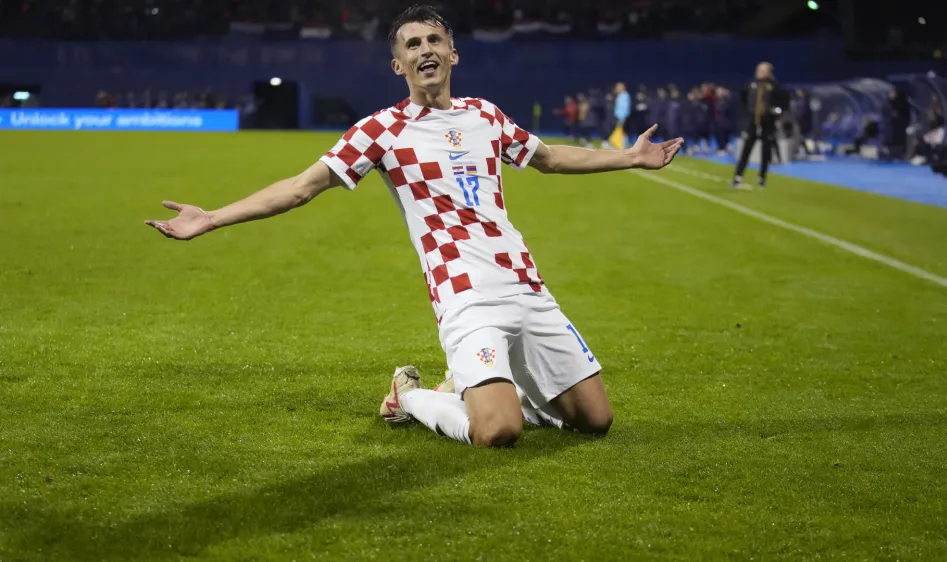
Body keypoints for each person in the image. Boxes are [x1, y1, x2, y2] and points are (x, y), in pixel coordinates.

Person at [145, 5, 684, 449]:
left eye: (434, 40)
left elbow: (549, 158)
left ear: (452, 54)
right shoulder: (381, 132)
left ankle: (490, 382)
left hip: (525, 284)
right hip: (464, 295)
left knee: (596, 421)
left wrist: (631, 160)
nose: (424, 49)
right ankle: (409, 396)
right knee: (497, 432)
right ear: (398, 65)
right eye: (412, 44)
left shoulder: (486, 116)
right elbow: (300, 187)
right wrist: (211, 217)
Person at [731, 62, 789, 189]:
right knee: (746, 150)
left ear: (768, 72)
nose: (759, 72)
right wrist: (747, 112)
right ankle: (737, 177)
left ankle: (762, 179)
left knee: (766, 152)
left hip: (767, 123)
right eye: (758, 70)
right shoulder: (751, 84)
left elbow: (784, 102)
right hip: (752, 122)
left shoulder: (775, 86)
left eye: (762, 70)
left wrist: (775, 112)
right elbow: (742, 98)